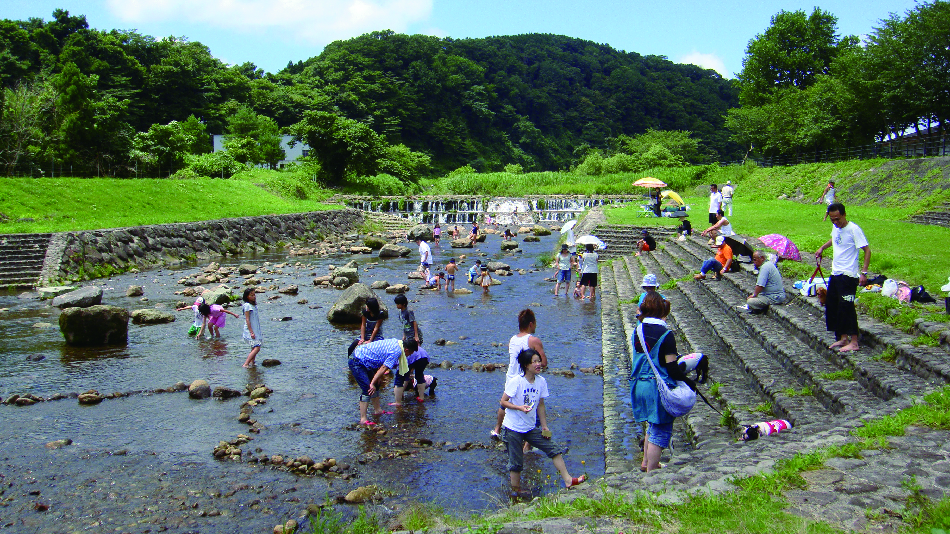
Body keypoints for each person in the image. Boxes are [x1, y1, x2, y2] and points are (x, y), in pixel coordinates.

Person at [500, 348, 586, 497]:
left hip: (530, 428)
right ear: (526, 365)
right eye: (535, 362)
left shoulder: (541, 382)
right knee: (516, 463)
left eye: (539, 361)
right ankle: (515, 492)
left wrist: (544, 425)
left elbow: (540, 405)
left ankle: (568, 480)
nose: (538, 364)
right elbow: (503, 401)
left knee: (552, 448)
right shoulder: (516, 381)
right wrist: (519, 407)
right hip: (512, 428)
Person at [631, 293, 685, 472]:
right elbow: (671, 367)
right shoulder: (666, 334)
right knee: (660, 429)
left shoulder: (637, 331)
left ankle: (645, 462)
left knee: (650, 425)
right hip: (656, 387)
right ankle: (652, 471)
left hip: (639, 384)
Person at [815, 202, 870, 352]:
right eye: (832, 219)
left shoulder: (854, 230)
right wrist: (822, 248)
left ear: (844, 215)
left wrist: (864, 272)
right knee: (833, 305)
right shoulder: (836, 227)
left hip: (849, 275)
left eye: (838, 219)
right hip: (836, 273)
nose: (835, 222)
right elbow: (834, 239)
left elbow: (867, 250)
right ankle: (842, 337)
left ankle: (854, 341)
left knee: (847, 306)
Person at [492, 308, 547, 439]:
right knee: (532, 405)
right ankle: (528, 441)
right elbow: (543, 362)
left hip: (511, 376)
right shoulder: (534, 340)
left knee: (505, 404)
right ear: (531, 324)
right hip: (525, 378)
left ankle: (497, 429)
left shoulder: (512, 339)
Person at [348, 338, 413, 425]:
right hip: (357, 360)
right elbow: (384, 367)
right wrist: (372, 383)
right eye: (409, 353)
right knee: (367, 389)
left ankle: (378, 410)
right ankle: (363, 419)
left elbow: (379, 357)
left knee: (377, 385)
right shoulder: (397, 351)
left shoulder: (398, 343)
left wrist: (376, 379)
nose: (408, 356)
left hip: (367, 360)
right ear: (406, 350)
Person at [391, 339, 429, 405]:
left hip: (412, 357)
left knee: (400, 378)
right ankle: (421, 397)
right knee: (419, 375)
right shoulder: (402, 347)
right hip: (424, 355)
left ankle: (398, 401)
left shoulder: (397, 351)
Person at [241, 288, 261, 368]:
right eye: (251, 295)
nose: (254, 296)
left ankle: (252, 362)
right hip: (251, 329)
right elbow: (247, 319)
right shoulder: (247, 306)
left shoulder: (253, 305)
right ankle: (246, 363)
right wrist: (251, 332)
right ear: (247, 297)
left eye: (254, 295)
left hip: (256, 328)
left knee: (254, 346)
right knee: (257, 347)